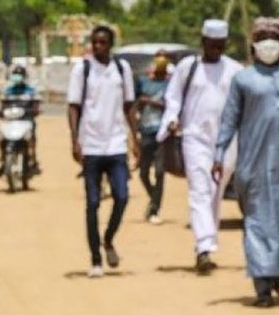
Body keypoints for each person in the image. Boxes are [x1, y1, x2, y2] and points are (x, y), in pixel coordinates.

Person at [213, 18, 279, 308]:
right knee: (258, 222)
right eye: (263, 37)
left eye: (274, 37)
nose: (268, 43)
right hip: (253, 164)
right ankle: (262, 287)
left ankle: (273, 270)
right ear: (253, 45)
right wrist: (218, 154)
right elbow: (229, 120)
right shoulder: (243, 80)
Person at [159, 19, 244, 275]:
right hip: (194, 137)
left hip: (227, 141)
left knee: (214, 191)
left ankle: (207, 241)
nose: (217, 49)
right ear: (203, 42)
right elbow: (173, 98)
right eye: (212, 44)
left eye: (221, 45)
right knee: (199, 190)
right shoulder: (188, 67)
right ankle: (203, 248)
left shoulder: (236, 70)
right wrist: (172, 121)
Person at [68, 26, 139, 278]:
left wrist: (135, 138)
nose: (98, 46)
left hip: (117, 144)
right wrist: (75, 140)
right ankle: (96, 259)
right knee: (93, 203)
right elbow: (74, 107)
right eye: (95, 42)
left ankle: (108, 239)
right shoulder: (82, 69)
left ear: (111, 44)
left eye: (103, 42)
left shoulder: (122, 69)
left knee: (121, 197)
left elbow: (129, 105)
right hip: (91, 146)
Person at [135, 52, 171, 225]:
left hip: (162, 134)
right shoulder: (143, 83)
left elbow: (172, 105)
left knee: (159, 172)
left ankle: (154, 208)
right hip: (145, 131)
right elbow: (135, 103)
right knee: (143, 173)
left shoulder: (170, 85)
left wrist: (152, 103)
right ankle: (153, 199)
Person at [0, 65, 41, 177]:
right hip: (11, 120)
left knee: (32, 136)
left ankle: (33, 159)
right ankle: (3, 159)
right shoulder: (7, 91)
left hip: (26, 120)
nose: (17, 77)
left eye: (19, 75)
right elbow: (2, 105)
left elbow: (36, 105)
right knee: (1, 135)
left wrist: (34, 111)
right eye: (15, 75)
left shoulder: (31, 91)